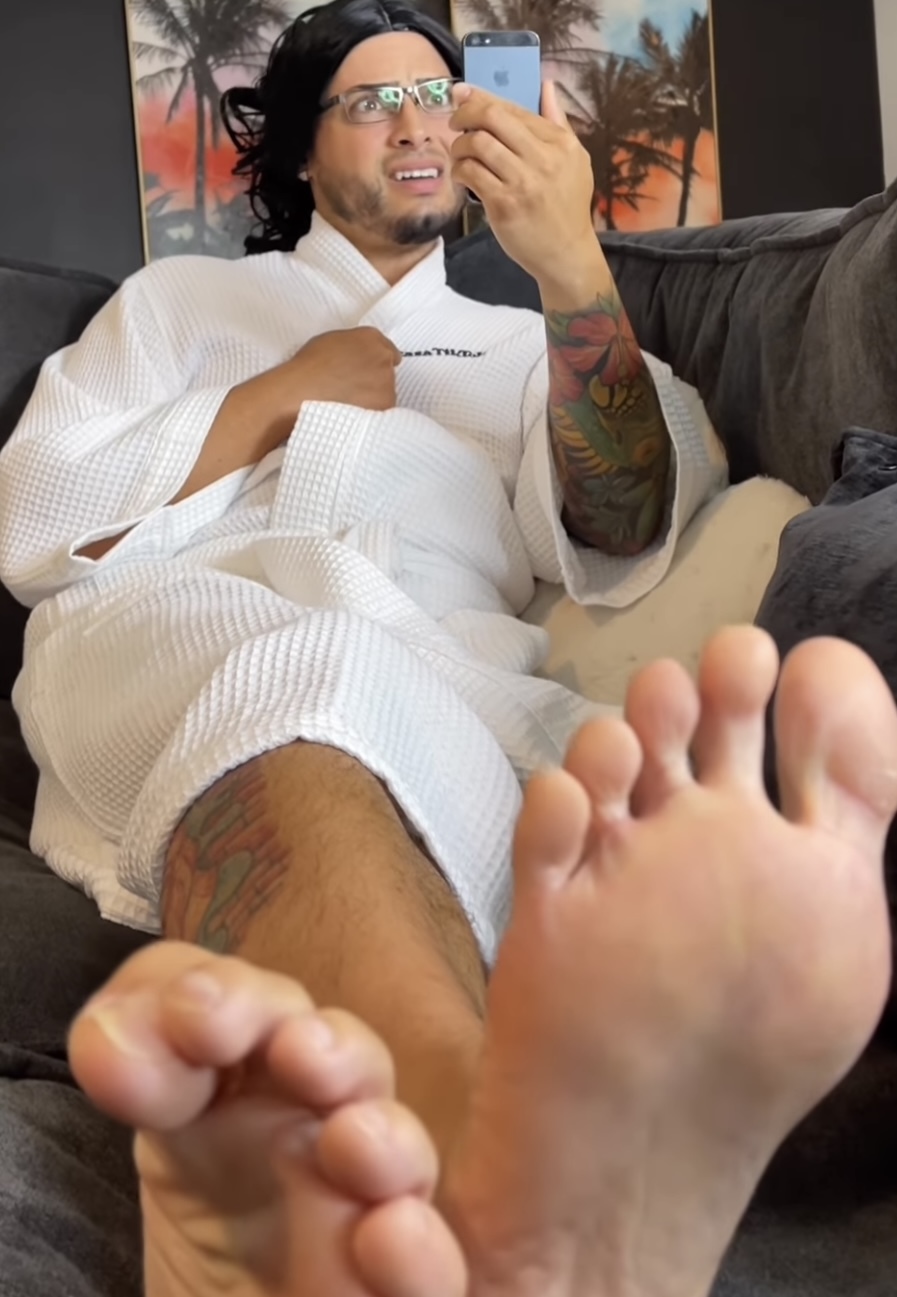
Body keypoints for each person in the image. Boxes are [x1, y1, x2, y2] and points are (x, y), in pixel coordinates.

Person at [2, 1, 896, 1293]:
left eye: (436, 95)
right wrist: (276, 396)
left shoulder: (523, 339)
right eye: (372, 102)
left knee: (426, 714)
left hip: (445, 671)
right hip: (175, 623)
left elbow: (626, 519)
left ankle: (376, 1209)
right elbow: (35, 522)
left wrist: (573, 270)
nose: (416, 123)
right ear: (301, 147)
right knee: (306, 668)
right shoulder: (177, 304)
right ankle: (480, 1186)